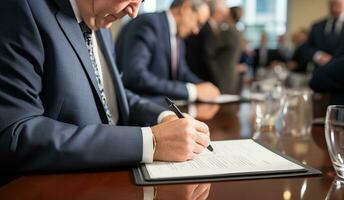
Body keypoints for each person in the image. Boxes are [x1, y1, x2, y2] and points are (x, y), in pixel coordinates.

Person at [0, 0, 211, 173]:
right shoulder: (23, 8)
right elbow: (15, 134)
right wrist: (150, 142)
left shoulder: (101, 23)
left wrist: (164, 118)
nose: (134, 12)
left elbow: (111, 97)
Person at [115, 0, 220, 103]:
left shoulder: (178, 36)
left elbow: (182, 73)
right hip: (139, 109)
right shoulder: (148, 23)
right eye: (198, 23)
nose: (196, 30)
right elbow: (136, 76)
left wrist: (204, 87)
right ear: (186, 9)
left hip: (163, 106)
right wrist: (192, 91)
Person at [186, 0, 242, 94]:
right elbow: (206, 57)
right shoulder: (205, 28)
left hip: (216, 81)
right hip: (207, 81)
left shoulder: (220, 30)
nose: (226, 12)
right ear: (218, 12)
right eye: (224, 8)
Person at [302, 0, 344, 67]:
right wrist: (318, 56)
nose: (335, 6)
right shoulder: (317, 26)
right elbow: (306, 47)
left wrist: (335, 60)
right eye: (332, 3)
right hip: (320, 71)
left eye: (339, 3)